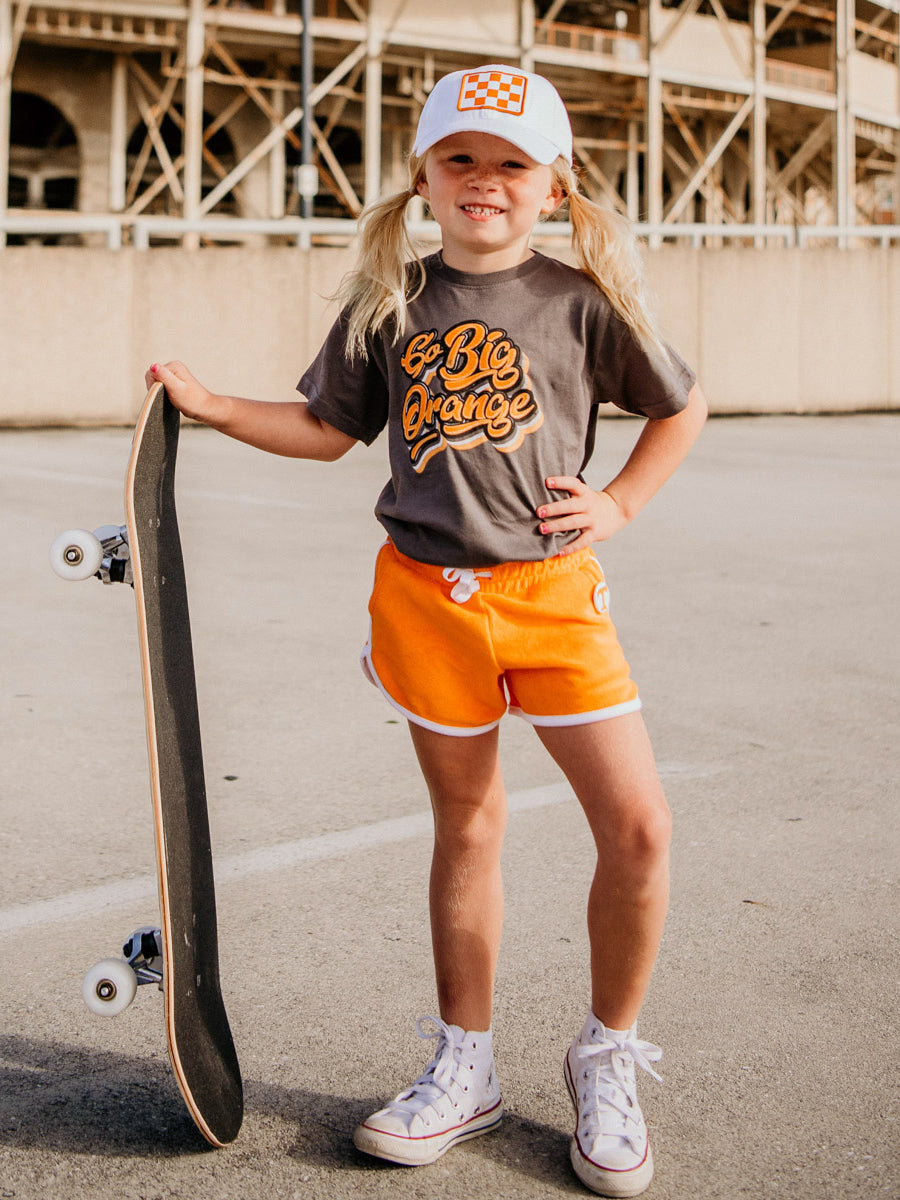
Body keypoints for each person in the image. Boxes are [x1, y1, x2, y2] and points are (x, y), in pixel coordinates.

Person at [148, 63, 707, 1199]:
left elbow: (677, 405)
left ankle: (607, 1056)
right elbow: (321, 428)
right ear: (422, 177)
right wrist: (211, 407)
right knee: (467, 827)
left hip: (552, 599)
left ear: (554, 186)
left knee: (640, 829)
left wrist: (623, 501)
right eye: (461, 159)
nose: (484, 182)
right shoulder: (388, 305)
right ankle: (466, 1065)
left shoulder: (582, 300)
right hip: (423, 599)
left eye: (511, 164)